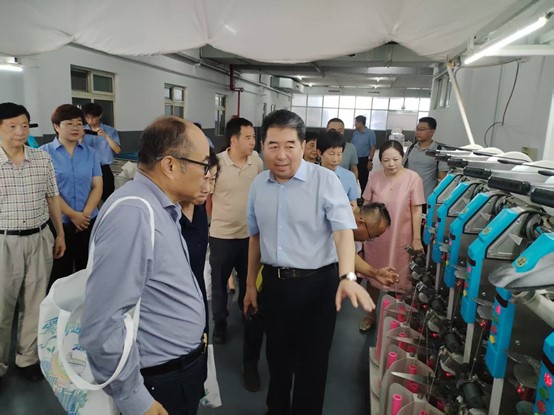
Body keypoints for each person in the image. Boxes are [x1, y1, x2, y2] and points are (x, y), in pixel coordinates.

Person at [244, 109, 374, 415]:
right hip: (274, 285)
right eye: (273, 146)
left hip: (317, 287)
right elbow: (255, 238)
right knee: (277, 359)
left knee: (312, 365)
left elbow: (343, 233)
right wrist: (250, 284)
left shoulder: (325, 181)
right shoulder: (259, 185)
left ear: (304, 146)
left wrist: (347, 277)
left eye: (289, 145)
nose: (281, 155)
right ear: (262, 146)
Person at [80, 117, 211, 415]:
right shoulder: (134, 214)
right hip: (157, 383)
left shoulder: (161, 207)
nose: (206, 174)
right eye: (203, 164)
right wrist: (136, 399)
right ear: (170, 165)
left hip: (178, 370)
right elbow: (101, 325)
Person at [0, 102, 65, 382]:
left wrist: (59, 233)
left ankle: (27, 359)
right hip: (4, 242)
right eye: (13, 126)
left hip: (39, 237)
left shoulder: (41, 159)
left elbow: (52, 197)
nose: (20, 131)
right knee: (2, 308)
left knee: (36, 302)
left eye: (24, 125)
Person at [209, 117, 265, 391]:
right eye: (248, 137)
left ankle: (248, 317)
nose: (253, 142)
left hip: (249, 237)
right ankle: (220, 322)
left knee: (249, 281)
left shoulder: (257, 162)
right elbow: (207, 198)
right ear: (233, 140)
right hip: (221, 235)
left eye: (254, 137)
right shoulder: (217, 163)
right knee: (219, 284)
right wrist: (213, 223)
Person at [360, 140, 425, 331]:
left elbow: (416, 209)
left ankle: (397, 319)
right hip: (377, 237)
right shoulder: (374, 176)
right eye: (386, 160)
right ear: (380, 160)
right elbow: (366, 205)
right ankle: (370, 315)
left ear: (402, 157)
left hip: (402, 236)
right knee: (373, 276)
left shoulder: (413, 178)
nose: (391, 164)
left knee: (400, 278)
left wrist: (416, 238)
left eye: (395, 159)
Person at [41, 104, 103, 286]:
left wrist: (85, 215)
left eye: (79, 123)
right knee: (60, 273)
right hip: (59, 223)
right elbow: (48, 191)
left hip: (88, 222)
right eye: (69, 123)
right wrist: (72, 214)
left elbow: (97, 186)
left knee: (88, 270)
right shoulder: (43, 154)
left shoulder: (91, 154)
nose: (75, 128)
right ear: (56, 126)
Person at [180, 148, 219, 335]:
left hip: (197, 300)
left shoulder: (200, 208)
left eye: (213, 180)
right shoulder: (166, 215)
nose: (208, 189)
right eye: (203, 179)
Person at [352, 202, 398, 289]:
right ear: (359, 223)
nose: (367, 239)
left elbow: (350, 255)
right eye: (372, 236)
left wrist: (376, 273)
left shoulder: (351, 236)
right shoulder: (339, 227)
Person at [403, 117, 448, 204]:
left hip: (426, 199)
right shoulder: (411, 148)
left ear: (432, 131)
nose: (418, 132)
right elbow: (404, 170)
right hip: (407, 196)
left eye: (422, 129)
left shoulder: (439, 151)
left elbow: (442, 179)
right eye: (417, 129)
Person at [82, 102, 121, 202]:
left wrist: (106, 136)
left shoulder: (110, 130)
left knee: (107, 198)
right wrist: (80, 138)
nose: (90, 120)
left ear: (100, 116)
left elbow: (117, 150)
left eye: (93, 117)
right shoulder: (82, 130)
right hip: (87, 169)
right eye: (87, 118)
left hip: (104, 169)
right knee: (88, 199)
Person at [317, 129, 359, 204]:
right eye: (331, 154)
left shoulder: (349, 177)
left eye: (339, 154)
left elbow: (353, 203)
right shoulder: (310, 174)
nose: (335, 159)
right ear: (319, 153)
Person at [351, 115, 376, 193]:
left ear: (361, 123)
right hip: (354, 160)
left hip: (363, 160)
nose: (354, 124)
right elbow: (352, 146)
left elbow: (373, 147)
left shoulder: (370, 133)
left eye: (356, 122)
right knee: (352, 178)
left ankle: (364, 197)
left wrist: (370, 161)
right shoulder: (355, 133)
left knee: (363, 180)